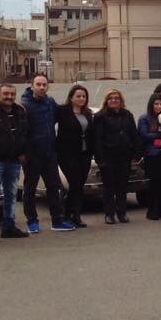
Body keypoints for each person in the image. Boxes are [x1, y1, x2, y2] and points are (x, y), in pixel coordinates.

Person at [21, 73, 75, 232]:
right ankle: (32, 221)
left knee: (54, 187)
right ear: (32, 86)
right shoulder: (24, 105)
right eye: (38, 84)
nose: (41, 87)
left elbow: (62, 115)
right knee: (30, 189)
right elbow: (20, 131)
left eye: (44, 84)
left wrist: (78, 107)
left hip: (49, 153)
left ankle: (57, 220)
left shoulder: (50, 102)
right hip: (32, 155)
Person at [0, 83, 29, 240]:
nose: (9, 97)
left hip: (14, 160)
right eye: (5, 94)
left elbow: (23, 133)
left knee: (11, 194)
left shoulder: (19, 111)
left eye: (11, 94)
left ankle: (8, 227)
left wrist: (22, 151)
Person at [92, 88, 141, 224]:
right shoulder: (100, 116)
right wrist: (100, 158)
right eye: (111, 98)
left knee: (122, 186)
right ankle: (109, 214)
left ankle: (122, 213)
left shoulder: (127, 115)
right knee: (109, 187)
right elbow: (97, 139)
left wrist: (136, 153)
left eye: (117, 98)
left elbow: (134, 134)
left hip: (124, 156)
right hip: (107, 157)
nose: (114, 100)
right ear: (107, 101)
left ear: (121, 101)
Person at [55, 84, 93, 228]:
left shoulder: (87, 113)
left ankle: (76, 215)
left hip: (84, 154)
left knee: (79, 186)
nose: (81, 98)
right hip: (67, 154)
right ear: (71, 97)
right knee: (74, 183)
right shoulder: (62, 111)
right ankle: (65, 214)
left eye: (84, 96)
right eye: (78, 96)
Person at [138, 93, 161, 220]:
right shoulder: (145, 118)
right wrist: (159, 138)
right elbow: (144, 135)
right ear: (151, 105)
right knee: (154, 183)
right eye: (156, 104)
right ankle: (152, 210)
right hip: (152, 154)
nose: (159, 106)